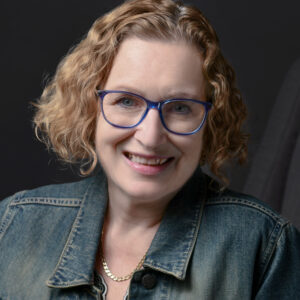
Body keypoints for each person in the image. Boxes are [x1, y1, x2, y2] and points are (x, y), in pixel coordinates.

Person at [0, 0, 299, 299]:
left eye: (180, 107)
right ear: (91, 109)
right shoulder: (12, 225)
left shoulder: (265, 248)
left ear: (211, 119)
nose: (151, 136)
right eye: (127, 101)